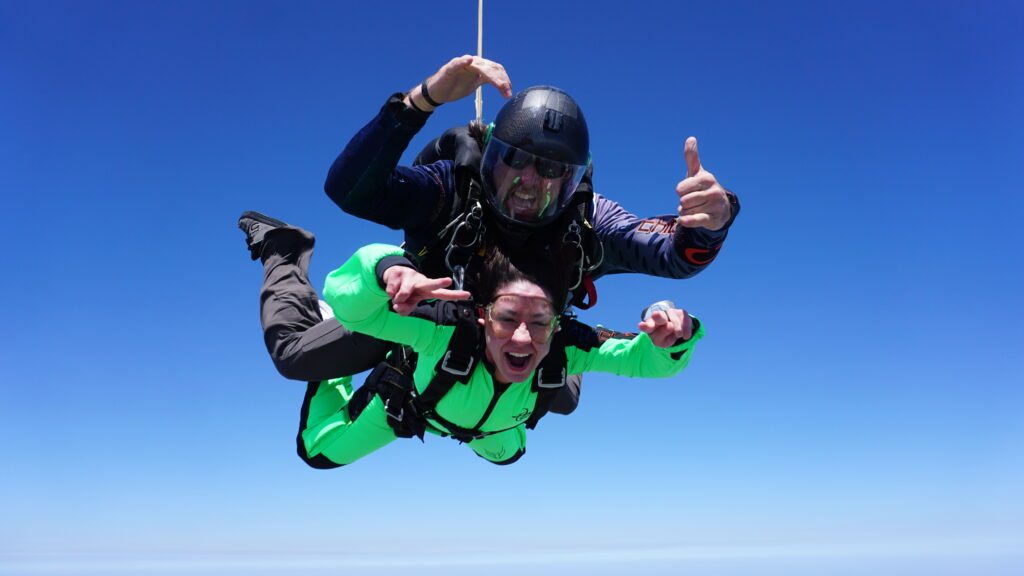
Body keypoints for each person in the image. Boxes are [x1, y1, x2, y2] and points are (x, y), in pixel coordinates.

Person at [240, 54, 738, 415]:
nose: (528, 182)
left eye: (550, 171)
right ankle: (283, 251)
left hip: (519, 335)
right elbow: (348, 190)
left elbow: (676, 257)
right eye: (515, 159)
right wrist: (420, 101)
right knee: (296, 357)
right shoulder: (452, 190)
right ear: (491, 155)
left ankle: (565, 351)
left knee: (561, 398)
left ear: (574, 181)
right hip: (421, 318)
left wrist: (712, 222)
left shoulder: (588, 222)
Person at [296, 241, 704, 467]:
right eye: (507, 318)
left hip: (497, 432)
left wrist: (674, 340)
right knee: (318, 452)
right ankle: (333, 376)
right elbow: (352, 309)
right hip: (408, 407)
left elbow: (643, 362)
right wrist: (385, 269)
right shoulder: (445, 330)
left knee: (514, 452)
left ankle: (567, 342)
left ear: (557, 322)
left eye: (540, 321)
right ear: (483, 316)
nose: (523, 338)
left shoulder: (565, 343)